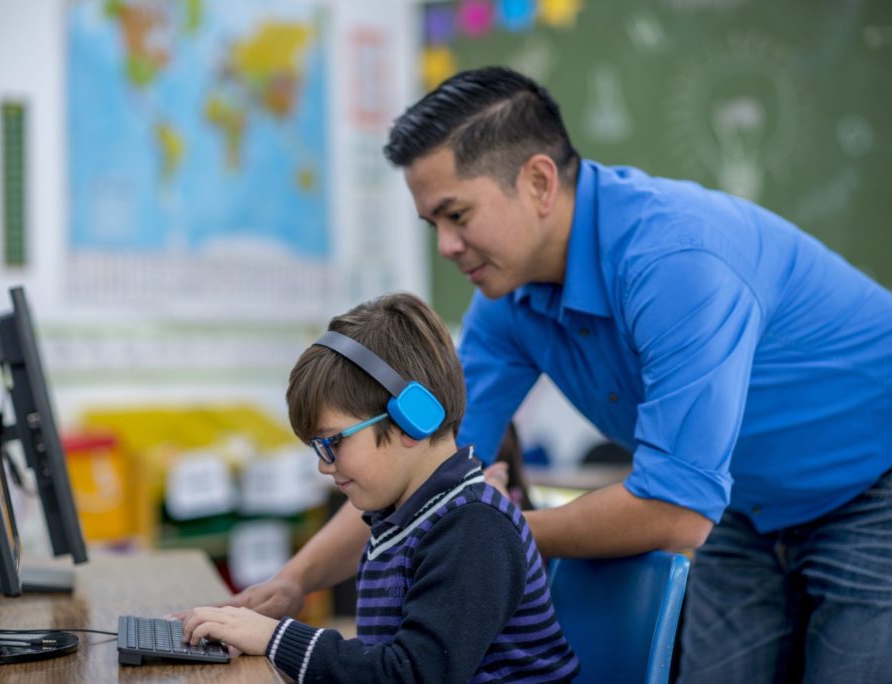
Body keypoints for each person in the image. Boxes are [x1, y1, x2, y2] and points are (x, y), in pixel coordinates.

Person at [222, 67, 892, 682]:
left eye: (458, 216)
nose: (447, 247)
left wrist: (488, 539)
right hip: (747, 506)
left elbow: (675, 508)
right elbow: (419, 457)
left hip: (872, 486)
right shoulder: (506, 298)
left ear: (540, 182)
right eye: (432, 225)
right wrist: (295, 580)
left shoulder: (675, 261)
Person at [183, 292, 579, 682]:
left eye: (334, 441)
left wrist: (273, 638)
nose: (324, 466)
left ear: (412, 419)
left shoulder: (473, 528)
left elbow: (411, 673)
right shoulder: (402, 520)